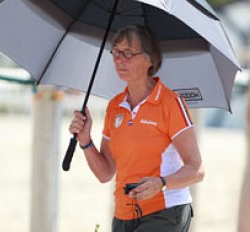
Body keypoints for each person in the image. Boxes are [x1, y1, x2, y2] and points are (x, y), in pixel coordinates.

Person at [69, 25, 204, 232]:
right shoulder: (115, 106)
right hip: (123, 214)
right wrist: (86, 142)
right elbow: (105, 173)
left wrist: (161, 183)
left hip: (166, 211)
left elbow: (196, 170)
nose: (119, 59)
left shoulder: (170, 103)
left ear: (150, 59)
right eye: (116, 52)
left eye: (129, 53)